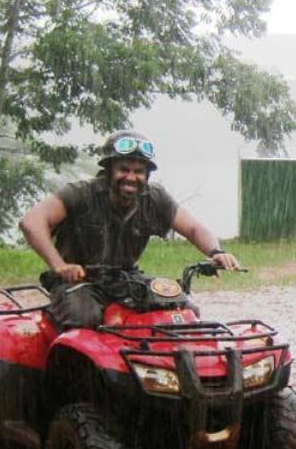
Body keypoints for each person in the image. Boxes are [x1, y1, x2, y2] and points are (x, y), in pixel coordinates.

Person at [19, 129, 240, 329]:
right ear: (108, 170)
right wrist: (59, 266)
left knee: (182, 310)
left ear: (147, 175)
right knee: (84, 319)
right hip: (76, 282)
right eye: (123, 169)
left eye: (139, 171)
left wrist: (216, 252)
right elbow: (31, 222)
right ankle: (70, 372)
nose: (131, 177)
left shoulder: (154, 198)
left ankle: (165, 368)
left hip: (126, 279)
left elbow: (193, 228)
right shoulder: (81, 193)